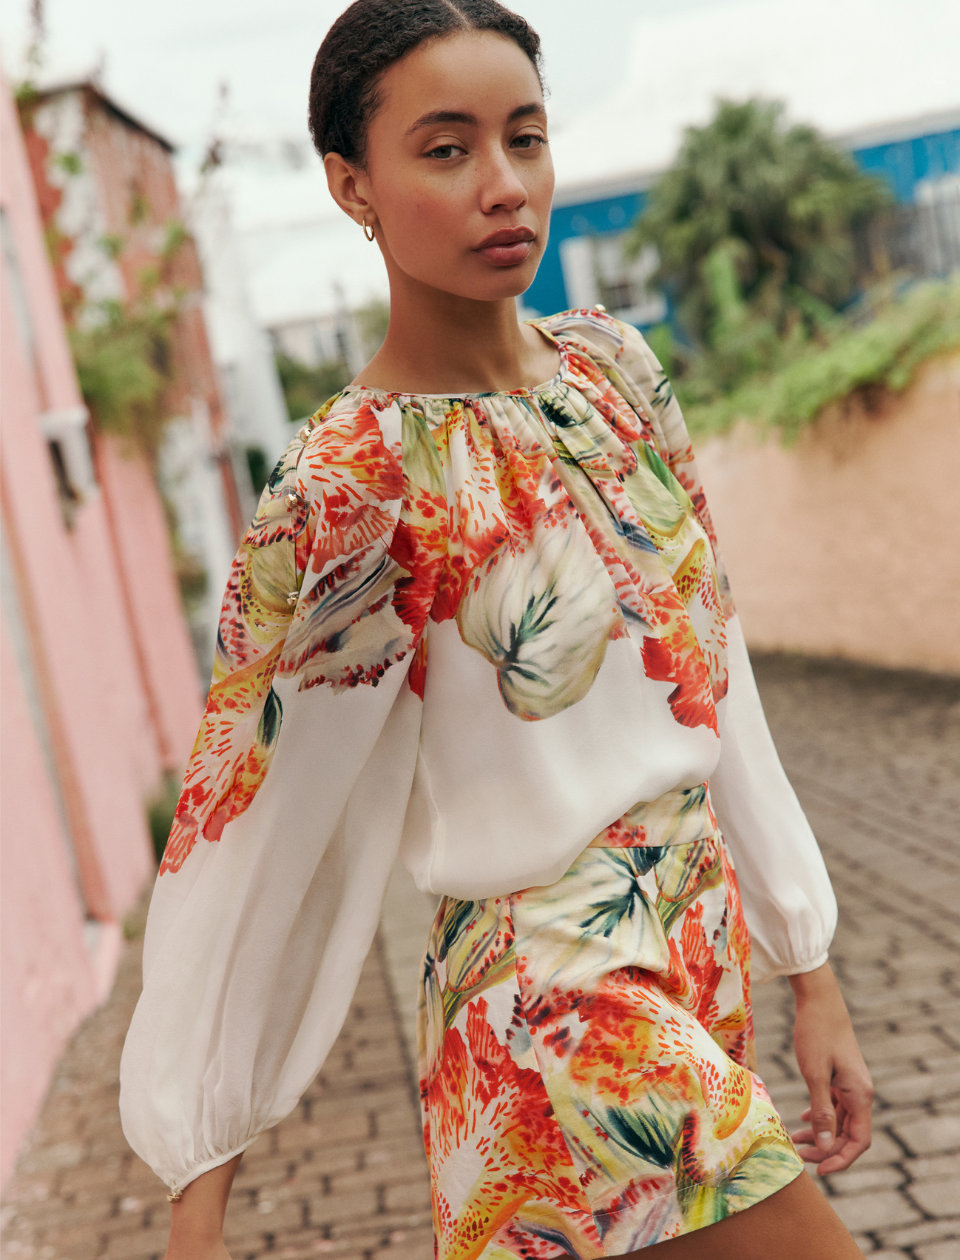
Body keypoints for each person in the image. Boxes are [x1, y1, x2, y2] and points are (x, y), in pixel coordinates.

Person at [119, 2, 875, 1256]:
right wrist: (197, 1170)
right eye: (446, 148)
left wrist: (811, 961)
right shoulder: (349, 482)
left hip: (696, 936)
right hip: (553, 1002)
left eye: (525, 137)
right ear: (351, 184)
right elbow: (253, 819)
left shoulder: (615, 373)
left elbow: (713, 662)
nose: (504, 185)